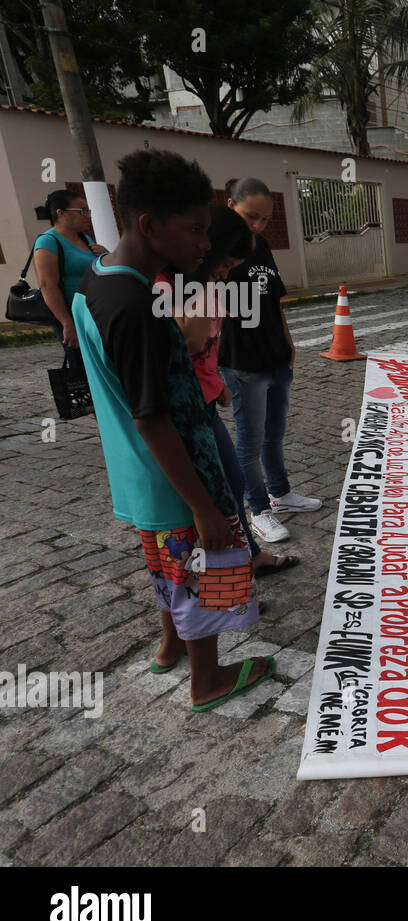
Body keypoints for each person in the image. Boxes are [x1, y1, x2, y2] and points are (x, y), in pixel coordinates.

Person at [71, 148, 274, 710]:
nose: (204, 245)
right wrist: (204, 507)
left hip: (139, 475)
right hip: (174, 478)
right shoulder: (137, 306)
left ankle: (169, 646)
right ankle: (207, 680)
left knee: (166, 568)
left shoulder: (101, 276)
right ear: (149, 225)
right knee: (201, 570)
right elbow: (152, 414)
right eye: (195, 231)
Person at [160, 205, 300, 581]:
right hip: (177, 410)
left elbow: (210, 341)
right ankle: (220, 586)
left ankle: (244, 565)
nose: (226, 273)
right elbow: (190, 342)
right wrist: (209, 282)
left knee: (231, 484)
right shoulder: (171, 283)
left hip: (204, 396)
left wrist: (216, 382)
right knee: (208, 500)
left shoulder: (210, 279)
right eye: (223, 264)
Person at [218, 177, 319, 544]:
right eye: (250, 217)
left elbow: (274, 300)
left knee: (274, 433)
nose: (257, 226)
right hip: (243, 361)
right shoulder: (216, 251)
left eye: (264, 219)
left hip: (275, 356)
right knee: (249, 439)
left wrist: (289, 343)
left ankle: (280, 493)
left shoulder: (262, 246)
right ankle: (258, 509)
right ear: (231, 207)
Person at [32, 189, 109, 367]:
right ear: (61, 213)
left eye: (88, 211)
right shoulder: (48, 241)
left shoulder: (85, 239)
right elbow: (47, 286)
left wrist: (106, 255)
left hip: (99, 315)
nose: (88, 216)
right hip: (75, 318)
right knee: (85, 371)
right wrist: (67, 323)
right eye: (82, 211)